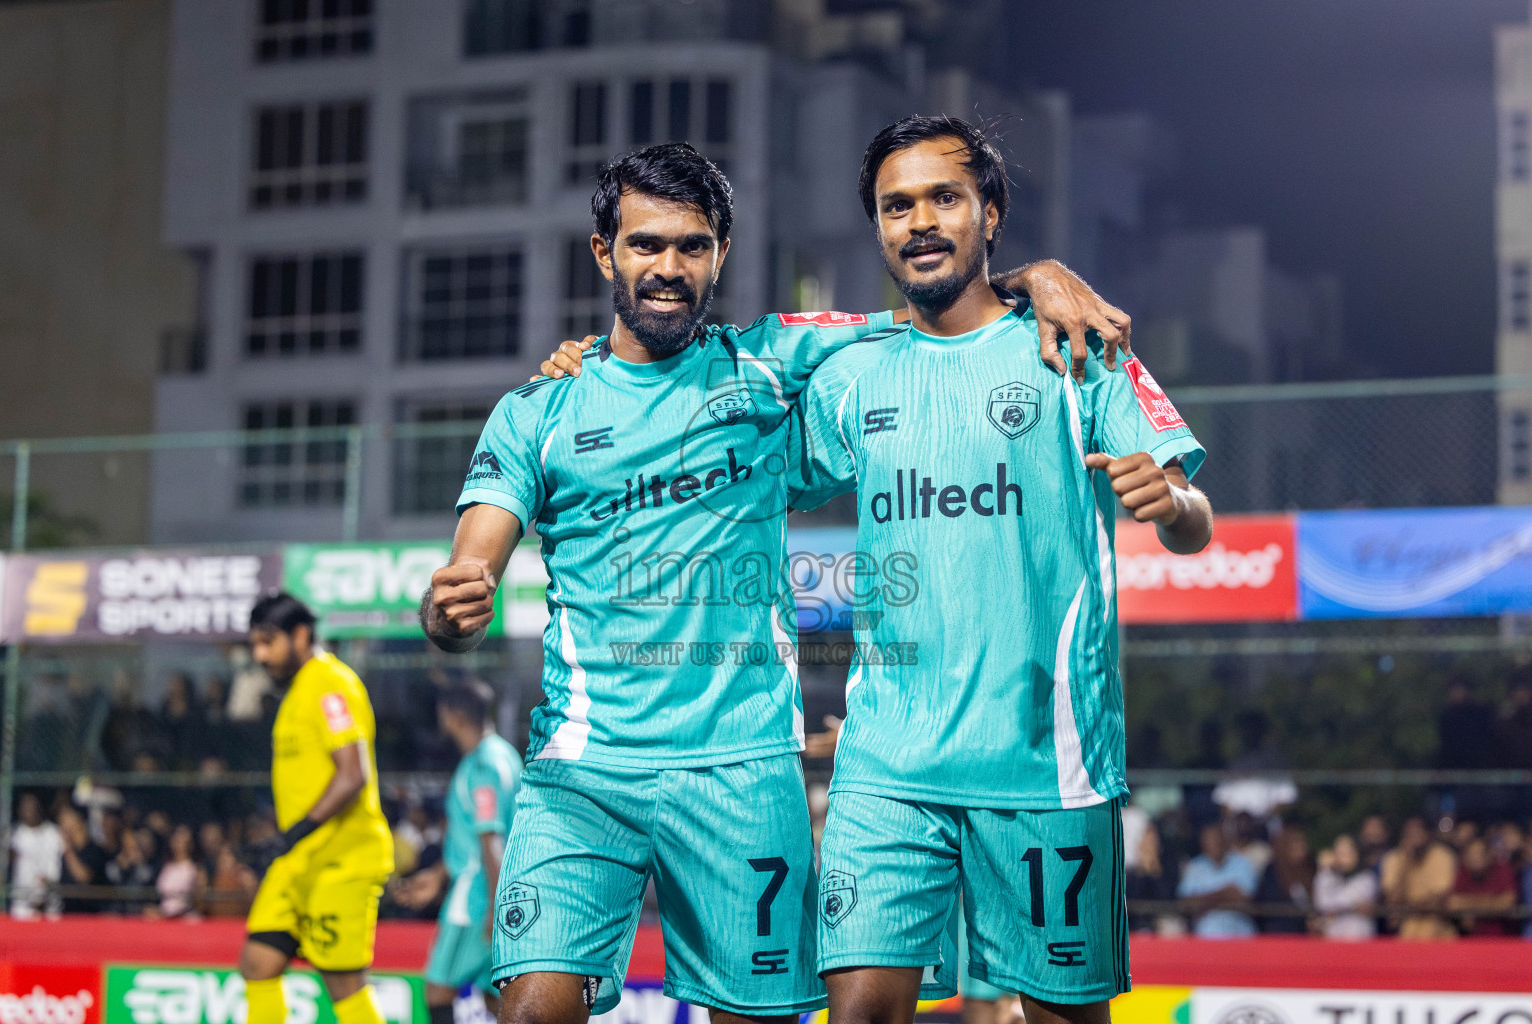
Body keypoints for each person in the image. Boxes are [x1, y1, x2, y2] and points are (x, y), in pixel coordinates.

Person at [424, 139, 1129, 1024]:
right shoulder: (538, 410)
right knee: (530, 1011)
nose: (668, 267)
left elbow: (941, 304)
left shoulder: (773, 361)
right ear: (605, 253)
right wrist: (456, 602)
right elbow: (467, 572)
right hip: (583, 771)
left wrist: (1035, 275)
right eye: (645, 245)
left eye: (691, 245)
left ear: (721, 253)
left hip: (744, 770)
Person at [788, 115, 1210, 1024]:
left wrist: (1170, 504)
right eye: (897, 206)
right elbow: (742, 439)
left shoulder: (1076, 345)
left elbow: (1195, 523)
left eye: (945, 196)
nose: (921, 221)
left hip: (1045, 762)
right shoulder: (855, 373)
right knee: (857, 1010)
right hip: (887, 760)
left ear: (991, 211)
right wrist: (596, 366)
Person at [238, 592, 395, 1024]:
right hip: (298, 859)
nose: (260, 654)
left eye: (268, 641)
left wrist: (293, 833)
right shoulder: (296, 692)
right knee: (258, 963)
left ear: (301, 634)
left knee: (344, 984)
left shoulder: (330, 684)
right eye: (255, 644)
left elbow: (352, 774)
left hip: (342, 859)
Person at [394, 681, 522, 1024]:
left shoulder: (482, 767)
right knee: (495, 996)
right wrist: (437, 876)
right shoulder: (505, 755)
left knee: (437, 989)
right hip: (496, 891)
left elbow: (490, 839)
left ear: (453, 715)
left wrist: (496, 910)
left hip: (477, 899)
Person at [1379, 816, 1457, 939]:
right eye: (1410, 832)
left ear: (1428, 833)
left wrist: (1413, 905)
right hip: (1406, 929)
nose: (1414, 835)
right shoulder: (1394, 859)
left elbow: (1440, 896)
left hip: (1437, 928)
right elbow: (1393, 898)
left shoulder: (1443, 856)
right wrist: (1405, 861)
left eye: (1418, 830)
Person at [1177, 824, 1258, 938]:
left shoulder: (1242, 863)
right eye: (1210, 840)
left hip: (1240, 936)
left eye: (1217, 838)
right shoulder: (1195, 867)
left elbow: (1245, 898)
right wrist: (1227, 892)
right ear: (1203, 844)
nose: (1215, 843)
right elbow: (1187, 904)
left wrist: (1204, 900)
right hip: (1206, 938)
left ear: (1225, 840)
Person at [1446, 836, 1516, 936]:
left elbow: (1507, 903)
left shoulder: (1503, 869)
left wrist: (1468, 907)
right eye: (1470, 854)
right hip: (1472, 940)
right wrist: (1493, 902)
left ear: (1489, 855)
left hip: (1503, 940)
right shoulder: (1463, 871)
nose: (1474, 858)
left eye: (1478, 854)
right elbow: (1453, 903)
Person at [9, 792, 63, 918]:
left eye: (33, 807)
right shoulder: (14, 834)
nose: (30, 811)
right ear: (19, 810)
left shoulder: (54, 833)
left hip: (51, 906)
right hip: (21, 908)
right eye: (26, 807)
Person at [1313, 834, 1377, 939]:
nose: (1342, 858)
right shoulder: (1330, 876)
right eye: (1339, 853)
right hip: (1334, 941)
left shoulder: (1366, 878)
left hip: (1359, 941)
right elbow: (1321, 903)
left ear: (1357, 853)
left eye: (1347, 853)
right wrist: (1326, 870)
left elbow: (1339, 903)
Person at [1254, 827, 1314, 934]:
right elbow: (1265, 901)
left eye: (1302, 848)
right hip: (1276, 933)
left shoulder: (1310, 869)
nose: (1300, 853)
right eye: (1294, 849)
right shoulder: (1273, 871)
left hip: (1303, 935)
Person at [57, 805, 109, 914]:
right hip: (67, 914)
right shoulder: (65, 854)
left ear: (78, 821)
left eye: (66, 819)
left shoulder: (95, 850)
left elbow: (84, 877)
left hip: (90, 917)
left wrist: (68, 849)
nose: (62, 825)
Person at [156, 824, 205, 919]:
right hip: (164, 915)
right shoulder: (167, 866)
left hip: (185, 916)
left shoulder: (194, 868)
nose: (178, 842)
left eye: (182, 839)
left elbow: (201, 898)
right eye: (176, 838)